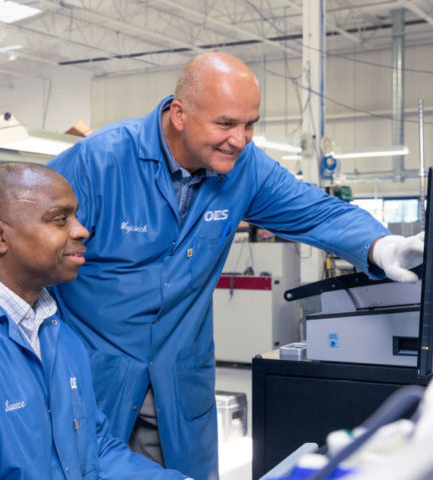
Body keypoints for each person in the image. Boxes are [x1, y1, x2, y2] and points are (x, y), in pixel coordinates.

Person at [48, 52, 424, 480]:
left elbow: (317, 211)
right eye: (226, 124)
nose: (240, 139)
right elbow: (28, 245)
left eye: (250, 125)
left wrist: (383, 246)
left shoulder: (245, 168)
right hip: (93, 372)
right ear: (179, 114)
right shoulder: (99, 161)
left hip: (178, 379)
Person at [0, 162, 192, 480]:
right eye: (59, 219)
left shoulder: (55, 329)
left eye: (76, 217)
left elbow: (96, 451)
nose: (82, 230)